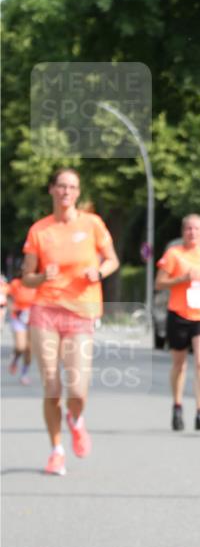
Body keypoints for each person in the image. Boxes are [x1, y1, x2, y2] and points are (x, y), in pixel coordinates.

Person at [21, 167, 119, 476]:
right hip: (46, 311)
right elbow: (26, 277)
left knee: (77, 388)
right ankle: (56, 450)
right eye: (61, 186)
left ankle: (76, 420)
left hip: (81, 311)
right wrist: (41, 276)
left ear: (78, 192)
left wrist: (99, 272)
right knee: (52, 387)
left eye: (72, 187)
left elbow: (112, 259)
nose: (66, 192)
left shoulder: (92, 224)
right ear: (51, 190)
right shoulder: (40, 230)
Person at [155, 214, 200, 431]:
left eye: (197, 229)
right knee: (179, 364)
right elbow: (159, 283)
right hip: (179, 314)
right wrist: (182, 279)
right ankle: (177, 405)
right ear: (183, 232)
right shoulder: (174, 254)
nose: (192, 233)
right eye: (189, 229)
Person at [7, 275, 37, 383]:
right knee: (20, 346)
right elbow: (9, 298)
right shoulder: (16, 283)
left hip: (34, 319)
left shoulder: (39, 283)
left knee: (29, 350)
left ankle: (24, 373)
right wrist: (13, 309)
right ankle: (15, 360)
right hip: (18, 318)